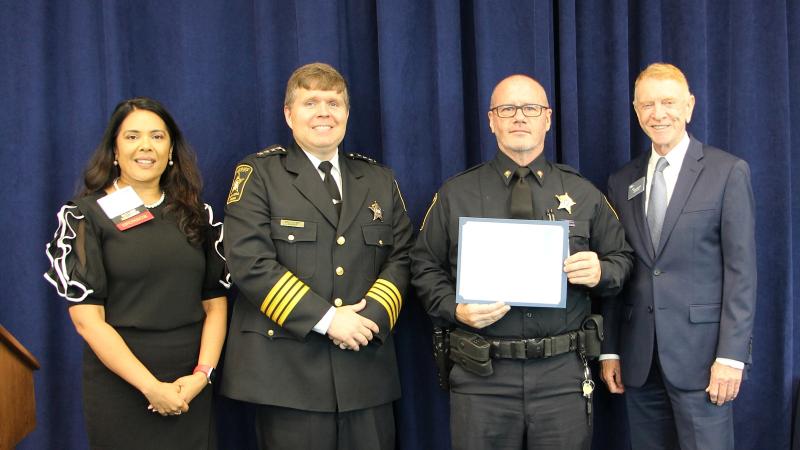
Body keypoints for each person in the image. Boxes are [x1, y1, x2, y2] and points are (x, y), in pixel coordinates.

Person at [410, 74, 633, 450]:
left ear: (547, 119)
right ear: (491, 120)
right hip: (482, 375)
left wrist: (601, 271)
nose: (519, 118)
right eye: (507, 109)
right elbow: (423, 267)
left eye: (530, 109)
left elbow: (622, 260)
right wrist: (456, 309)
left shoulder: (583, 192)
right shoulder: (455, 194)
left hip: (561, 376)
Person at [220, 62, 413, 450]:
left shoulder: (379, 179)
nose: (324, 112)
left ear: (346, 113)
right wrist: (328, 320)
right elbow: (249, 262)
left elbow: (403, 256)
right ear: (289, 114)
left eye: (333, 102)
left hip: (365, 371)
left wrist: (368, 321)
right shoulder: (258, 174)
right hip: (287, 377)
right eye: (310, 102)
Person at [43, 97, 229, 449]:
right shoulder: (86, 216)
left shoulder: (197, 215)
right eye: (132, 137)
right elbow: (88, 321)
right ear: (114, 150)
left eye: (157, 136)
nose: (146, 146)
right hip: (122, 386)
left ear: (171, 149)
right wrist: (150, 387)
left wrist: (201, 377)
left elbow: (215, 305)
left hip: (189, 383)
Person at [601, 63, 757, 450]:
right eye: (648, 104)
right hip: (639, 360)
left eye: (668, 102)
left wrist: (732, 357)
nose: (658, 113)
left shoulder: (727, 172)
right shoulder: (621, 182)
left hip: (704, 361)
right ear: (636, 112)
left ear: (689, 107)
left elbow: (742, 273)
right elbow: (619, 269)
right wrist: (610, 348)